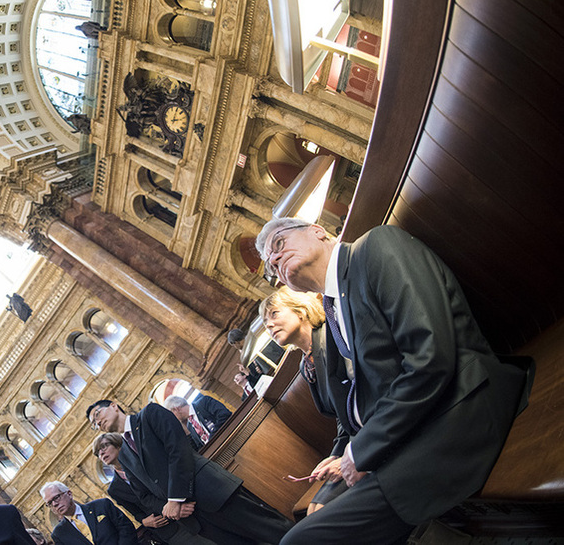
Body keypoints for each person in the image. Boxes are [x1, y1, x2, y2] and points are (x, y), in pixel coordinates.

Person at [256, 218, 533, 544]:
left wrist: (362, 450)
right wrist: (349, 450)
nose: (274, 261)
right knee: (310, 521)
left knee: (301, 541)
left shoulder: (374, 248)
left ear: (317, 230)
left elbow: (430, 359)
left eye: (278, 243)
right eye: (269, 267)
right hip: (411, 431)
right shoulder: (333, 305)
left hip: (459, 409)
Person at [87, 399, 292, 545]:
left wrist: (176, 499)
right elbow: (144, 495)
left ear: (114, 406)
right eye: (93, 424)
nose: (97, 423)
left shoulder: (150, 414)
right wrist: (171, 508)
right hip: (193, 518)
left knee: (275, 531)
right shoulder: (124, 456)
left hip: (211, 492)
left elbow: (179, 451)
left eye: (97, 414)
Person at [259, 286, 349, 514]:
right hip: (354, 440)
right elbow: (341, 416)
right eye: (265, 321)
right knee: (314, 510)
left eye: (274, 314)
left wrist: (349, 455)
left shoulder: (332, 336)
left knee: (319, 514)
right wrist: (335, 455)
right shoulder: (305, 364)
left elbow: (365, 400)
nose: (268, 325)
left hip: (374, 435)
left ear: (299, 311)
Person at [93, 433, 217, 545]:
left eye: (103, 447)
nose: (101, 454)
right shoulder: (114, 489)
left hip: (188, 507)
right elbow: (135, 512)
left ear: (117, 445)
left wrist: (177, 505)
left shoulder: (142, 459)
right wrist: (144, 521)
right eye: (98, 453)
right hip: (169, 528)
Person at [40, 480, 135, 545]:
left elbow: (126, 528)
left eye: (56, 498)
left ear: (69, 494)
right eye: (49, 503)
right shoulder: (58, 534)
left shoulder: (101, 505)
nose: (54, 504)